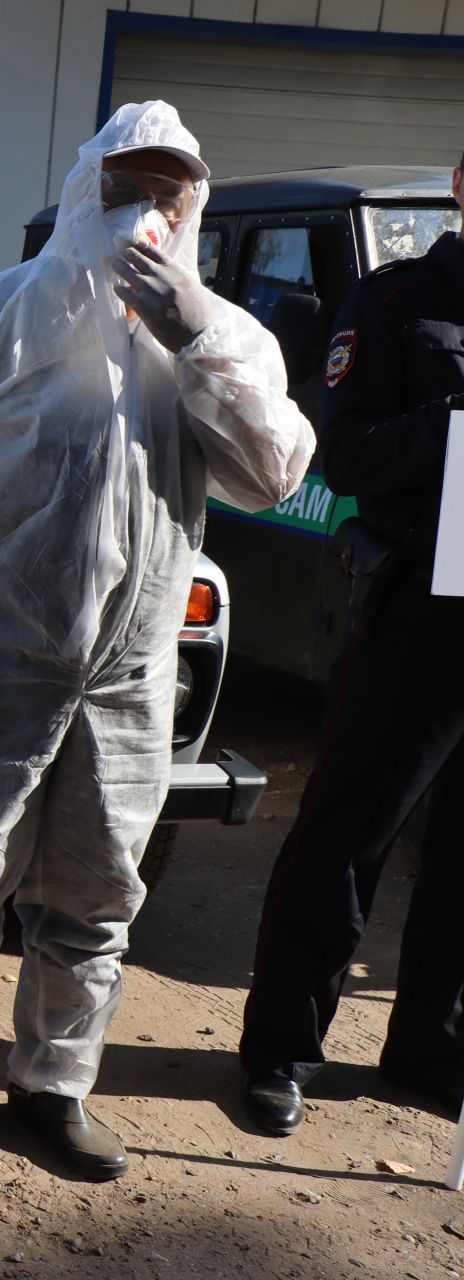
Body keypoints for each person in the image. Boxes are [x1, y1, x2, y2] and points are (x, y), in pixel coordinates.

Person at [0, 101, 314, 1179]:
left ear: (194, 206)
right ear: (83, 190)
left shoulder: (219, 334)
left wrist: (198, 336)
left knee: (99, 889)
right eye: (128, 186)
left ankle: (52, 1084)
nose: (147, 210)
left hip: (131, 666)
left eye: (171, 192)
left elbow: (275, 471)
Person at [237, 159, 464, 1137]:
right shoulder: (399, 302)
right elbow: (347, 449)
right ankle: (282, 1048)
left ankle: (429, 1042)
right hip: (419, 608)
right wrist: (454, 427)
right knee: (348, 834)